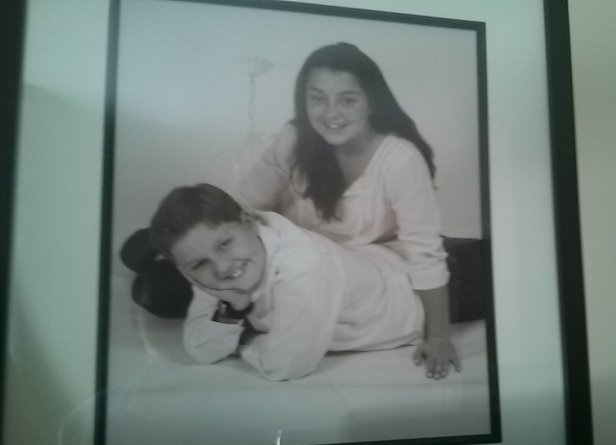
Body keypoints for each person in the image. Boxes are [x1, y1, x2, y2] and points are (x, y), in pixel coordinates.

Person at [236, 42, 460, 379]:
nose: (331, 113)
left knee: (483, 269)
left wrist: (439, 336)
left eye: (347, 100)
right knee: (176, 275)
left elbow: (425, 253)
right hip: (301, 269)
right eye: (318, 99)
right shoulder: (294, 138)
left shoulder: (400, 160)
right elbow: (246, 206)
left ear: (372, 102)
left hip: (374, 277)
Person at [149, 183, 427, 381]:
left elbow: (286, 365)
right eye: (199, 264)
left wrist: (246, 339)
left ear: (248, 223)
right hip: (368, 259)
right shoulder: (216, 264)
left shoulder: (304, 267)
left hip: (418, 293)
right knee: (158, 287)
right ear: (187, 271)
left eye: (224, 244)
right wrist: (233, 309)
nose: (220, 268)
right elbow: (201, 350)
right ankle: (152, 261)